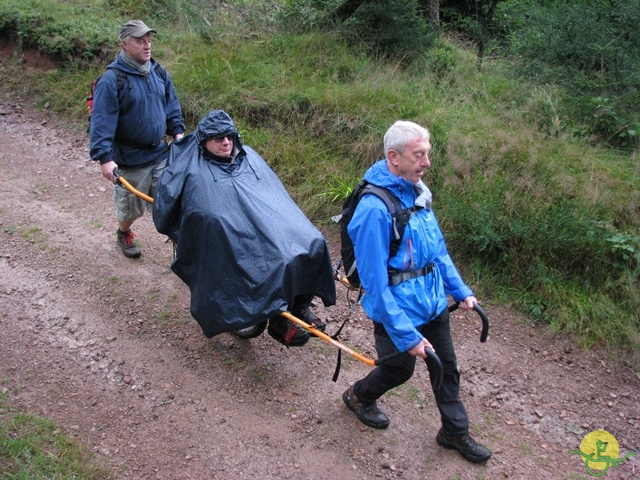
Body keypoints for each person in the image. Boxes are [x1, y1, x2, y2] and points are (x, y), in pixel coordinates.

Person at [342, 120, 491, 464]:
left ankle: (454, 431)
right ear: (394, 157)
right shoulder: (374, 209)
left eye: (427, 154)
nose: (427, 162)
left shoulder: (418, 193)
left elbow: (437, 252)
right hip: (397, 308)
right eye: (419, 154)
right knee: (399, 370)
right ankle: (359, 396)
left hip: (432, 301)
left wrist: (461, 291)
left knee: (447, 368)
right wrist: (405, 335)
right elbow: (375, 285)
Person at [152, 110, 336, 346]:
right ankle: (277, 317)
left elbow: (275, 196)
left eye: (229, 136)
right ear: (204, 141)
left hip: (264, 223)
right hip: (233, 233)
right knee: (277, 261)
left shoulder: (249, 157)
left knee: (313, 242)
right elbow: (204, 214)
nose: (226, 142)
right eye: (218, 138)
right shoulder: (195, 172)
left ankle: (300, 304)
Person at [90, 20, 185, 259]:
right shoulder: (112, 80)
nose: (147, 45)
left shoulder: (158, 71)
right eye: (140, 41)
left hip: (160, 154)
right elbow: (101, 121)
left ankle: (182, 249)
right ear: (125, 44)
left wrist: (178, 134)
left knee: (170, 207)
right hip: (131, 160)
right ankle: (124, 232)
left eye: (149, 40)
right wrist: (104, 158)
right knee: (130, 211)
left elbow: (171, 105)